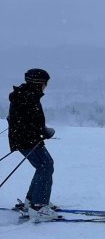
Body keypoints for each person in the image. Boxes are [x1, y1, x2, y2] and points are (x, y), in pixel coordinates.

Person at [7, 68, 59, 221]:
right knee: (45, 165)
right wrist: (43, 133)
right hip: (27, 140)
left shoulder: (25, 95)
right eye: (45, 84)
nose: (45, 87)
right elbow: (27, 123)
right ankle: (38, 206)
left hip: (26, 139)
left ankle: (32, 200)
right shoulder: (28, 97)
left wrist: (42, 131)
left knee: (44, 165)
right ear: (39, 84)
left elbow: (25, 120)